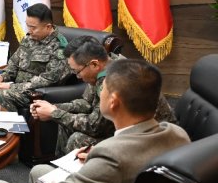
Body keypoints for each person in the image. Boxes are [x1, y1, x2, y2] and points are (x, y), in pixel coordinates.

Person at [0, 58, 190, 183]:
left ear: (113, 102)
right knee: (38, 171)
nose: (98, 91)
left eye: (103, 88)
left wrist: (99, 157)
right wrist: (96, 154)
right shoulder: (178, 134)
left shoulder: (111, 156)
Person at [30, 36, 177, 156]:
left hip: (151, 139)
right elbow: (86, 102)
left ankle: (75, 180)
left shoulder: (115, 80)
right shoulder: (106, 66)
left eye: (77, 72)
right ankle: (60, 169)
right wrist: (54, 108)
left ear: (94, 64)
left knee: (78, 139)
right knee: (65, 120)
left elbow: (95, 127)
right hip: (124, 127)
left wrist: (54, 113)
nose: (78, 77)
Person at [0, 3, 70, 112]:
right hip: (14, 87)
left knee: (5, 95)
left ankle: (10, 128)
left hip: (35, 93)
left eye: (33, 27)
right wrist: (2, 77)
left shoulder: (59, 47)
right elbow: (13, 64)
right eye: (28, 25)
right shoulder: (29, 39)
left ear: (48, 27)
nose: (29, 30)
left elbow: (48, 80)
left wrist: (12, 87)